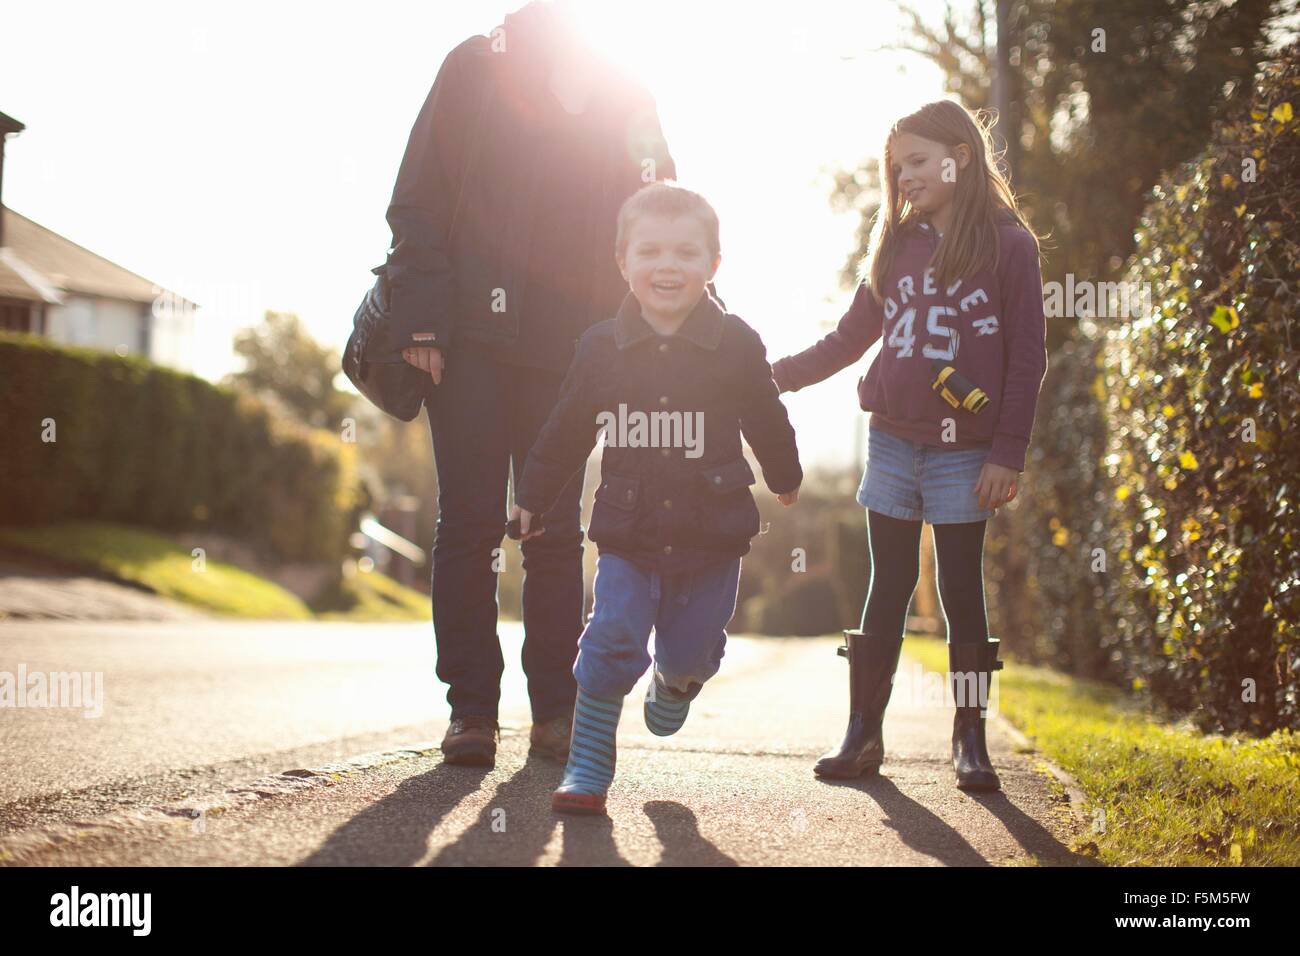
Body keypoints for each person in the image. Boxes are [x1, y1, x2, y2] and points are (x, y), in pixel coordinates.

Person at [385, 1, 680, 766]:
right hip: (469, 342)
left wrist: (659, 321)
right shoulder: (475, 67)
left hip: (571, 347)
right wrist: (420, 321)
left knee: (551, 532)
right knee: (471, 524)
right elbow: (419, 194)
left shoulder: (625, 91)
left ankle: (555, 708)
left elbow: (658, 206)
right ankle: (472, 714)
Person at [771, 99, 1048, 792]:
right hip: (893, 441)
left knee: (961, 592)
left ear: (962, 155)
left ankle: (971, 742)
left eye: (919, 163)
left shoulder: (1010, 246)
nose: (906, 178)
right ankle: (863, 735)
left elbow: (1027, 360)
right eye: (897, 169)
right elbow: (847, 340)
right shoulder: (897, 244)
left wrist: (1006, 453)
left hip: (968, 452)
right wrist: (770, 377)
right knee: (885, 588)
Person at [513, 182, 802, 815]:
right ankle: (589, 764)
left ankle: (676, 681)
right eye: (649, 251)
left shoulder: (737, 343)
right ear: (623, 262)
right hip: (628, 527)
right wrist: (532, 496)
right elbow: (565, 430)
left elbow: (765, 411)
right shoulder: (599, 347)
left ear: (712, 266)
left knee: (693, 645)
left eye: (686, 252)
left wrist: (784, 471)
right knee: (612, 634)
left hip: (712, 529)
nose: (667, 266)